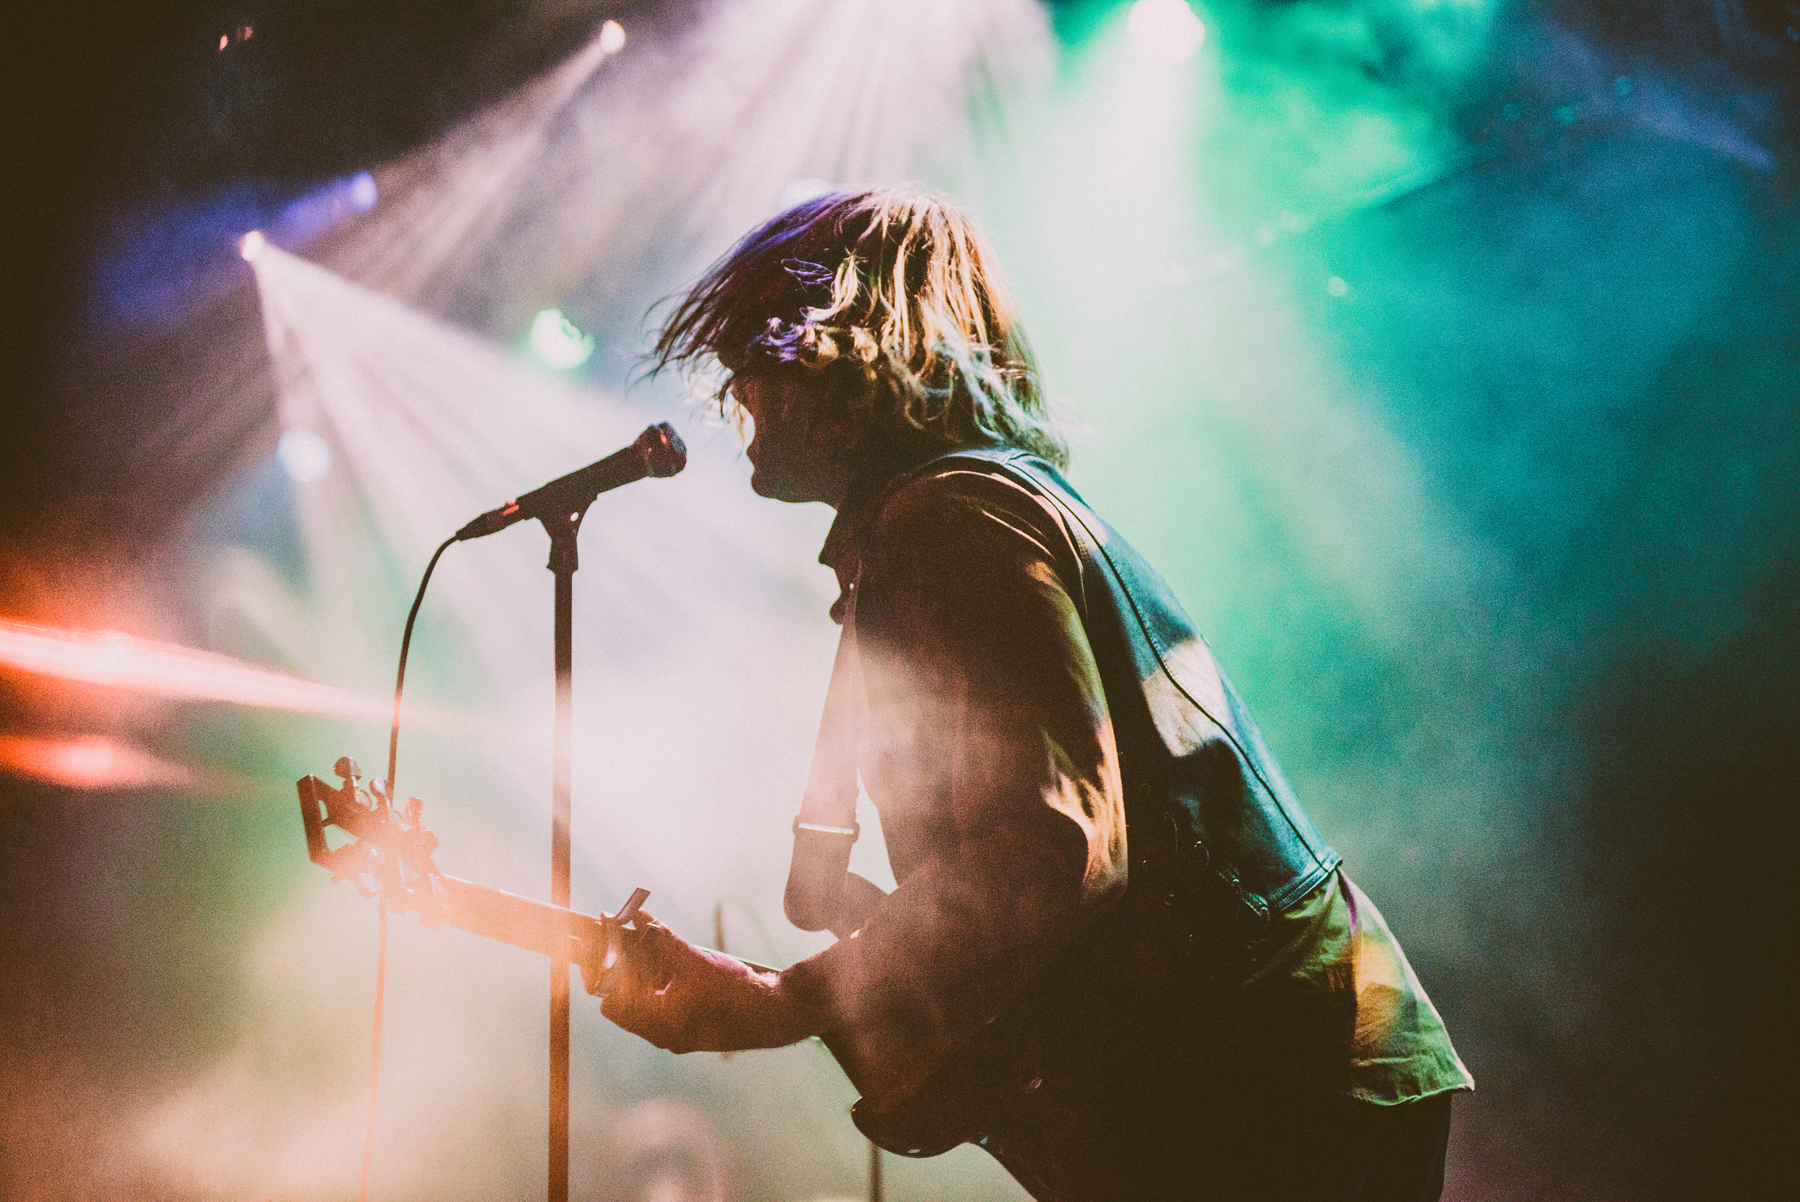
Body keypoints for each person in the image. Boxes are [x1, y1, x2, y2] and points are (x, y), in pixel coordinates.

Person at [596, 189, 1472, 1200]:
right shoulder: (960, 511)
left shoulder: (951, 519)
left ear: (838, 348)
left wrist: (785, 1000)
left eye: (757, 342)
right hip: (1267, 1054)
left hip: (1263, 1071)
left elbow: (1055, 849)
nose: (735, 381)